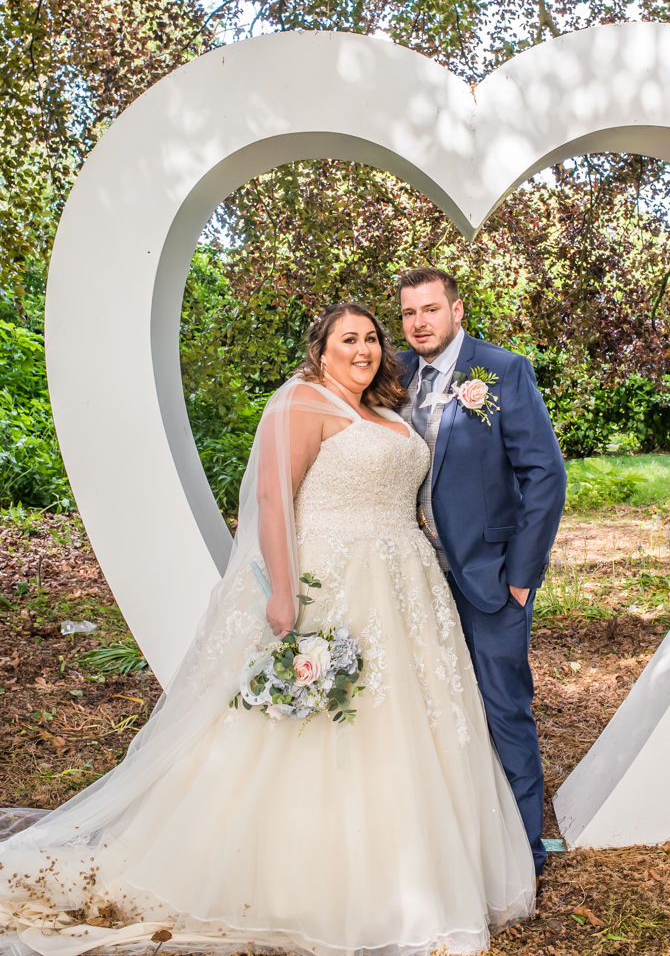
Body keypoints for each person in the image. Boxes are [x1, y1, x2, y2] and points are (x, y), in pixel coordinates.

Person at [0, 302, 536, 956]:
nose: (364, 349)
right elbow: (270, 499)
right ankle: (303, 885)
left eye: (371, 338)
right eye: (349, 339)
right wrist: (282, 592)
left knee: (412, 724)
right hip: (336, 583)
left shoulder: (387, 412)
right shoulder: (303, 404)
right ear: (321, 346)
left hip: (407, 587)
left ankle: (423, 872)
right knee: (320, 728)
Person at [396, 267, 566, 877]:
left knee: (503, 706)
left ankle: (524, 851)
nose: (420, 322)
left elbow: (545, 475)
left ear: (457, 310)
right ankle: (448, 846)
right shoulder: (391, 375)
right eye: (410, 312)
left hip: (491, 575)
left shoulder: (502, 370)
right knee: (429, 707)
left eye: (431, 309)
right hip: (410, 576)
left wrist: (522, 574)